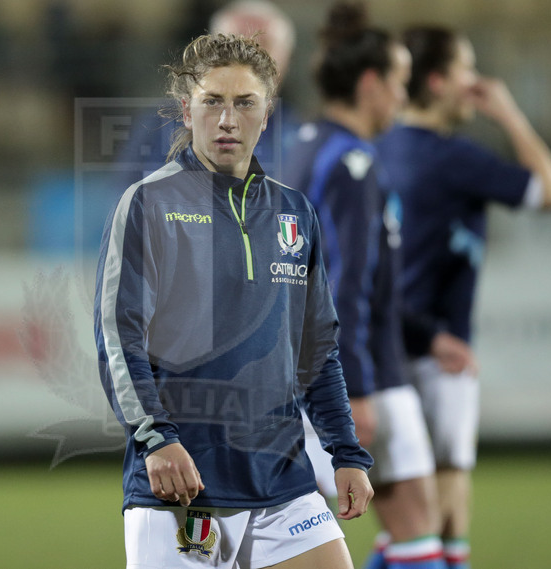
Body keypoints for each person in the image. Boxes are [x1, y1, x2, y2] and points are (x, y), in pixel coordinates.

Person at [94, 33, 374, 569]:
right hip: (181, 482)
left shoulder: (296, 213)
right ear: (186, 109)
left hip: (282, 480)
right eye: (212, 102)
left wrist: (345, 451)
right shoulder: (149, 203)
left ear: (267, 113)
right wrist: (156, 440)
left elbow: (317, 350)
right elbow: (116, 337)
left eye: (244, 103)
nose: (227, 120)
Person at [375, 25, 551, 569]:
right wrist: (508, 114)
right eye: (466, 69)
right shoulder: (454, 157)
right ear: (437, 82)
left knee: (408, 513)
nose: (476, 82)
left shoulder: (376, 145)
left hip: (380, 345)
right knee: (442, 503)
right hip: (441, 350)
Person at [284, 3, 456, 568]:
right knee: (416, 528)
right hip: (366, 373)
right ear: (370, 83)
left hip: (311, 368)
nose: (404, 98)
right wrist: (356, 390)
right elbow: (346, 283)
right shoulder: (351, 162)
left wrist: (426, 339)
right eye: (400, 83)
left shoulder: (305, 145)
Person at [113, 0, 299, 186]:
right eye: (235, 45)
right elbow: (131, 199)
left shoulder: (301, 134)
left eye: (263, 45)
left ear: (287, 56)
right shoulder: (159, 125)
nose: (249, 59)